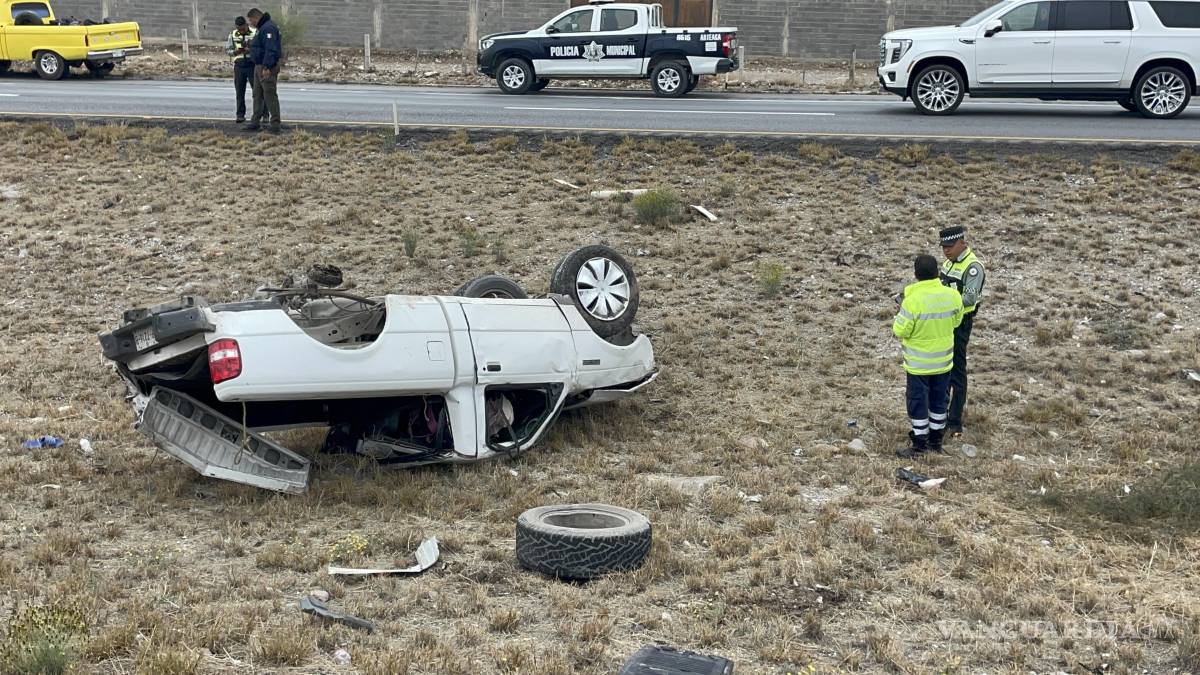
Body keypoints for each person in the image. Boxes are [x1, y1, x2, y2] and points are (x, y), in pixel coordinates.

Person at [892, 254, 964, 458]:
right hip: (943, 363)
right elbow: (957, 321)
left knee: (918, 402)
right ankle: (935, 441)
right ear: (937, 273)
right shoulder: (953, 296)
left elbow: (900, 330)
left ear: (916, 274)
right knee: (939, 401)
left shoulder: (912, 301)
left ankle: (919, 444)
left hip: (918, 365)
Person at [938, 226, 986, 437]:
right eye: (943, 247)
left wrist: (942, 302)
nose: (946, 250)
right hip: (945, 322)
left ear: (961, 243)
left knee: (957, 371)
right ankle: (940, 414)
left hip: (960, 323)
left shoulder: (973, 267)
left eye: (950, 246)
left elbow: (969, 298)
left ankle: (954, 421)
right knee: (943, 368)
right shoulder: (949, 263)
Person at [243, 8, 282, 133]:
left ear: (256, 17)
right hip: (258, 65)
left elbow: (271, 49)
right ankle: (255, 122)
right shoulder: (263, 28)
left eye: (251, 20)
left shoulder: (268, 28)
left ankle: (275, 125)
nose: (250, 23)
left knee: (269, 95)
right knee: (257, 95)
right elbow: (261, 46)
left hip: (265, 67)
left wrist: (267, 67)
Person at [226, 16, 256, 123]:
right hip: (239, 65)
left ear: (246, 25)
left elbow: (260, 47)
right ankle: (240, 115)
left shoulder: (255, 32)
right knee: (239, 92)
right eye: (239, 29)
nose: (241, 31)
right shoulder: (233, 34)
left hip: (252, 65)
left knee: (257, 92)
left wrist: (250, 50)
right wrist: (236, 52)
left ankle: (260, 115)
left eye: (243, 29)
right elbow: (228, 50)